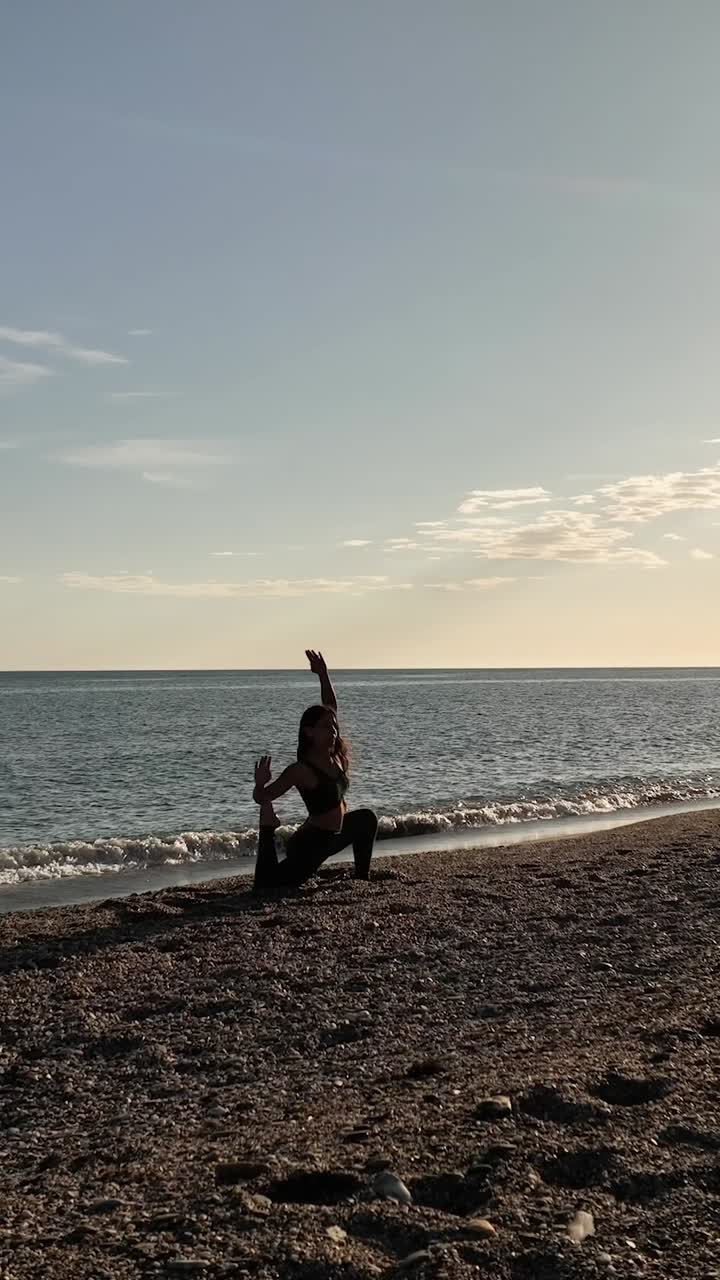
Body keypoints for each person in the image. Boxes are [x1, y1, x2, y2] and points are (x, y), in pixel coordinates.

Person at [252, 650, 378, 892]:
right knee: (268, 885)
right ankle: (268, 830)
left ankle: (362, 877)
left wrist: (323, 675)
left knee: (366, 819)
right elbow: (263, 797)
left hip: (334, 836)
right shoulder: (301, 770)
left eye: (334, 727)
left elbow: (331, 706)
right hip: (311, 842)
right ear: (309, 732)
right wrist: (260, 785)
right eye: (325, 728)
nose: (333, 731)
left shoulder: (334, 757)